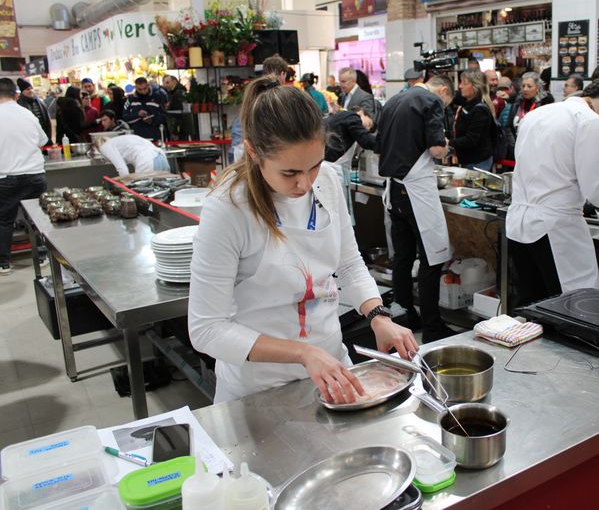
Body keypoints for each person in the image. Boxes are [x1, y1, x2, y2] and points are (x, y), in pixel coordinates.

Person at [188, 75, 417, 403]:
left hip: (333, 371)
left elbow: (349, 263)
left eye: (314, 165)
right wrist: (302, 353)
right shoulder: (228, 207)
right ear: (253, 152)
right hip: (257, 390)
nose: (305, 183)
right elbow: (206, 329)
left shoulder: (327, 181)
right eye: (290, 173)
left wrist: (378, 316)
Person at [505, 80, 599, 304]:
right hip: (555, 229)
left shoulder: (536, 114)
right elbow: (598, 193)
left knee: (533, 305)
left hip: (518, 225)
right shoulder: (591, 123)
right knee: (571, 308)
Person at [377, 75, 455, 343]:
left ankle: (404, 316)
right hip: (416, 191)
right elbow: (435, 149)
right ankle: (433, 328)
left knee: (403, 257)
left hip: (394, 190)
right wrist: (446, 147)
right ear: (443, 91)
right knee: (433, 258)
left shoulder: (392, 101)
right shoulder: (431, 100)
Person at [0, 77, 49, 275]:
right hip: (34, 174)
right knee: (36, 217)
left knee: (4, 220)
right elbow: (43, 140)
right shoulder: (27, 114)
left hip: (6, 177)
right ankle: (44, 255)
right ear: (15, 94)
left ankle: (3, 263)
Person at [230, 55, 290, 162]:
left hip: (241, 151)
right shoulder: (275, 97)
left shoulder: (256, 89)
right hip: (254, 155)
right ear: (282, 74)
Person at [450, 70, 495, 170]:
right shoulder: (467, 103)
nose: (460, 86)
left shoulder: (480, 110)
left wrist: (448, 142)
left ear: (475, 87)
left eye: (464, 83)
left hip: (478, 162)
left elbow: (470, 140)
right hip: (468, 160)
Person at [99, 134, 169, 177]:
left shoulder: (105, 147)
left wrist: (125, 187)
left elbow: (123, 169)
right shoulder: (119, 141)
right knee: (163, 191)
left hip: (147, 160)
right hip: (161, 156)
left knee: (143, 194)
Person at [16, 78, 52, 145]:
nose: (30, 91)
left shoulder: (40, 102)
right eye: (27, 89)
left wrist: (48, 137)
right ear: (22, 91)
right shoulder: (19, 104)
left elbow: (47, 120)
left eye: (31, 88)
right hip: (29, 138)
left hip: (43, 134)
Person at [163, 74, 189, 141]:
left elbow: (179, 114)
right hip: (177, 126)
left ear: (174, 82)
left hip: (178, 127)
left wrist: (175, 132)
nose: (165, 85)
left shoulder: (178, 93)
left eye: (167, 82)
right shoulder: (173, 92)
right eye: (164, 83)